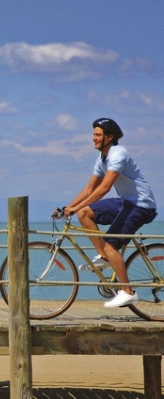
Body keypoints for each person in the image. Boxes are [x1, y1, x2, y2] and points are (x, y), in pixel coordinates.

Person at [64, 118, 157, 308]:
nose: (93, 139)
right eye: (94, 135)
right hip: (125, 202)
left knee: (109, 245)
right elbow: (90, 189)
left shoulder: (118, 154)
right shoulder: (102, 158)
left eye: (98, 135)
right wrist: (69, 207)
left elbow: (104, 188)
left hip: (141, 205)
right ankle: (105, 258)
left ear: (110, 137)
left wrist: (74, 207)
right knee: (84, 213)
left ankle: (128, 292)